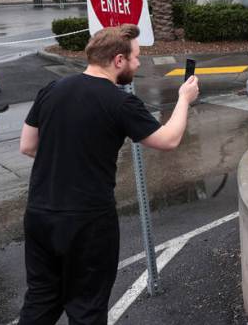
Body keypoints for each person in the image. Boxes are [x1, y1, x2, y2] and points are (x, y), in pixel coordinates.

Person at [17, 24, 199, 325]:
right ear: (118, 60)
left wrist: (67, 158)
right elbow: (167, 140)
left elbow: (27, 145)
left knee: (40, 301)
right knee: (86, 308)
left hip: (39, 214)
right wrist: (183, 99)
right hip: (87, 221)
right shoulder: (119, 102)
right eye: (136, 57)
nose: (138, 64)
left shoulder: (51, 90)